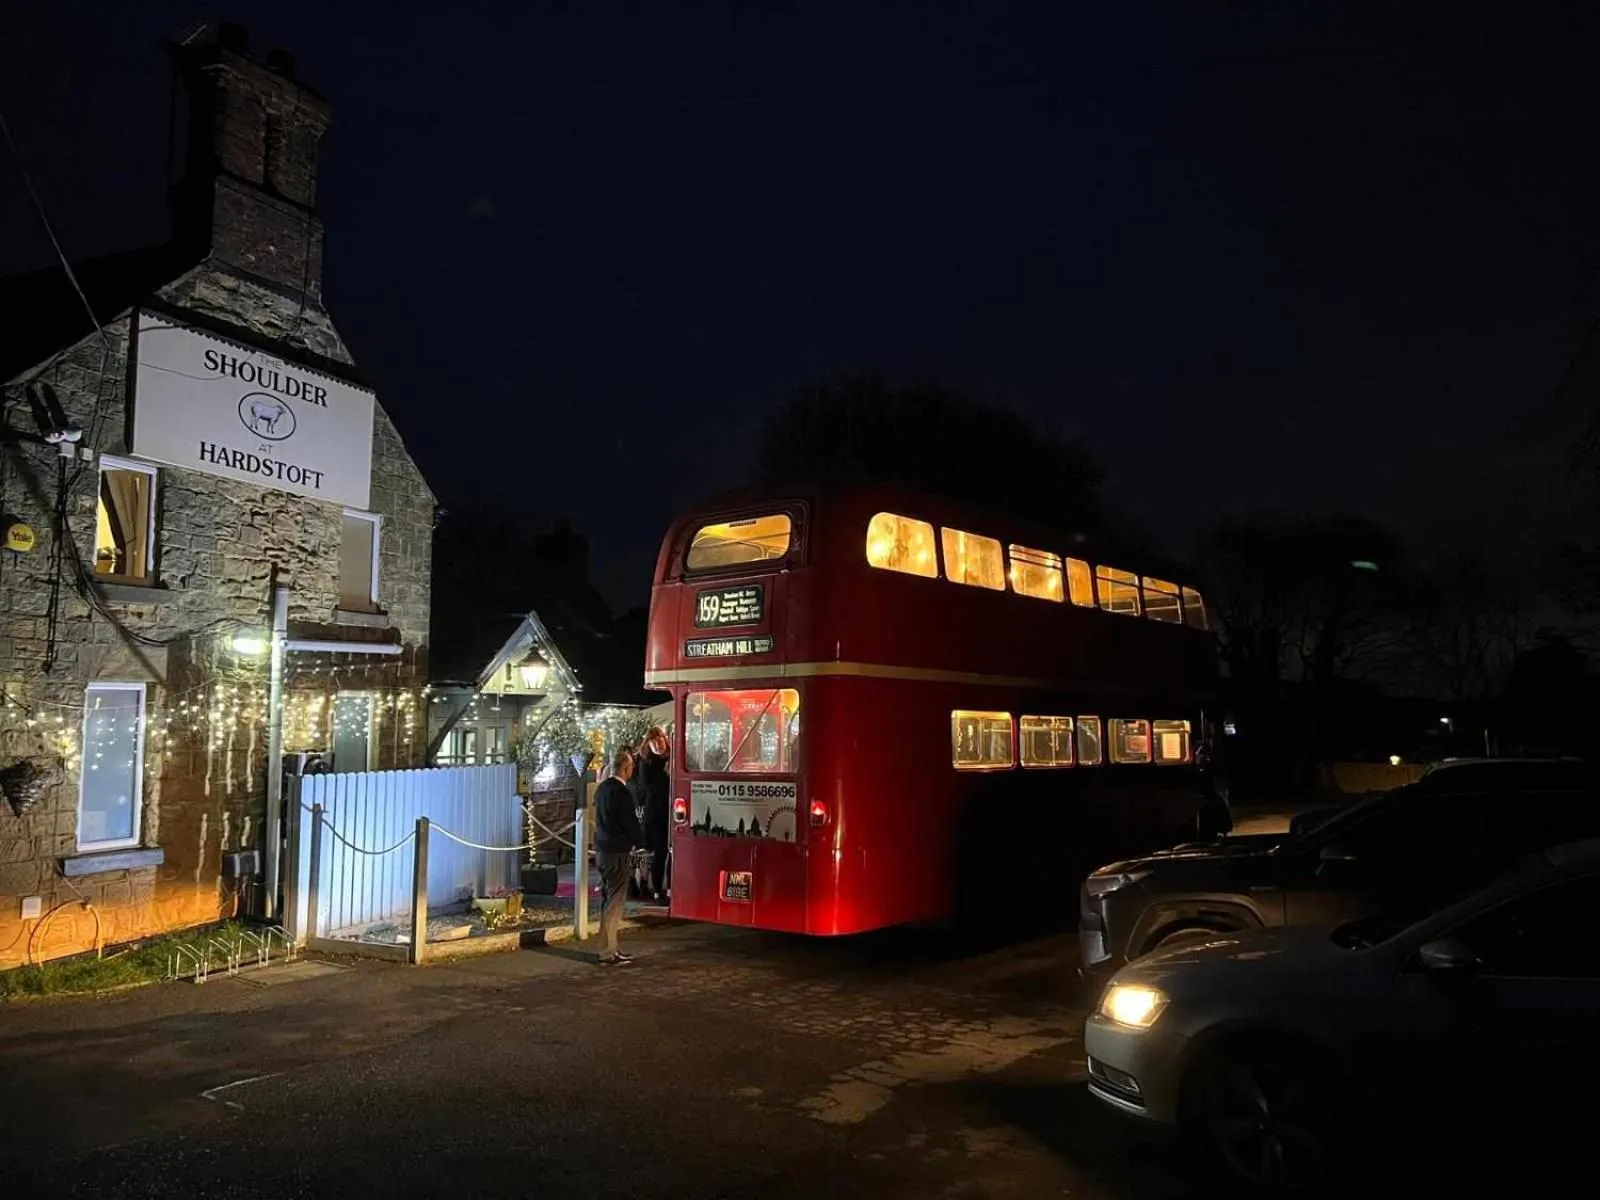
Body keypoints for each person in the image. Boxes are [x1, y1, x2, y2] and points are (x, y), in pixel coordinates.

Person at [593, 746, 645, 965]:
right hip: (617, 852)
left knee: (608, 900)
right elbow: (629, 823)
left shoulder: (602, 789)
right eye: (631, 766)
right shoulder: (622, 793)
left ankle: (608, 947)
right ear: (626, 768)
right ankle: (608, 951)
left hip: (602, 851)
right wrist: (642, 842)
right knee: (615, 902)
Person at [634, 727, 671, 903]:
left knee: (672, 853)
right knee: (659, 852)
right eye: (653, 743)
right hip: (656, 812)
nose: (658, 745)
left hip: (672, 810)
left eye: (660, 741)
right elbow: (647, 787)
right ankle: (657, 889)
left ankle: (670, 887)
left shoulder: (673, 758)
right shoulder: (646, 762)